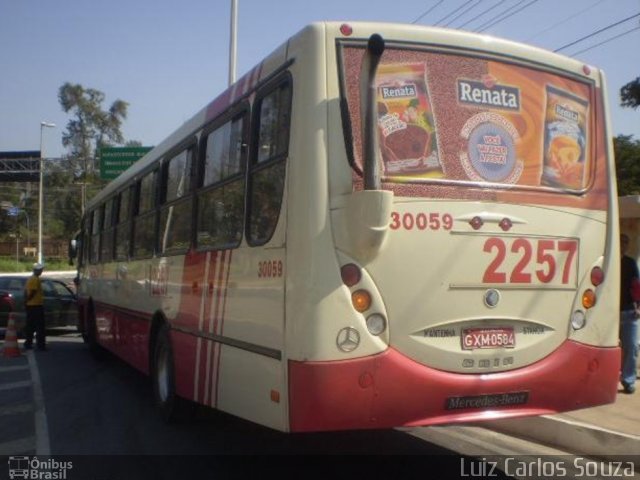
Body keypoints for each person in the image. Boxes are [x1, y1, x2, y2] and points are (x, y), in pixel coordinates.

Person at [619, 234, 638, 394]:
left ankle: (628, 380)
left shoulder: (631, 263)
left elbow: (636, 286)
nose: (623, 245)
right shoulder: (606, 261)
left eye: (626, 242)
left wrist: (638, 307)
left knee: (631, 347)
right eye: (621, 242)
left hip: (628, 312)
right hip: (607, 313)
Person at [24, 263, 46, 351]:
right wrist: (28, 300)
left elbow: (26, 292)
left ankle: (28, 343)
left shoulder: (30, 279)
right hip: (36, 305)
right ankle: (40, 345)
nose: (41, 271)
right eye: (41, 270)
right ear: (38, 270)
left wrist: (25, 302)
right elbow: (32, 292)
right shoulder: (35, 279)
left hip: (30, 306)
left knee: (30, 326)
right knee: (40, 327)